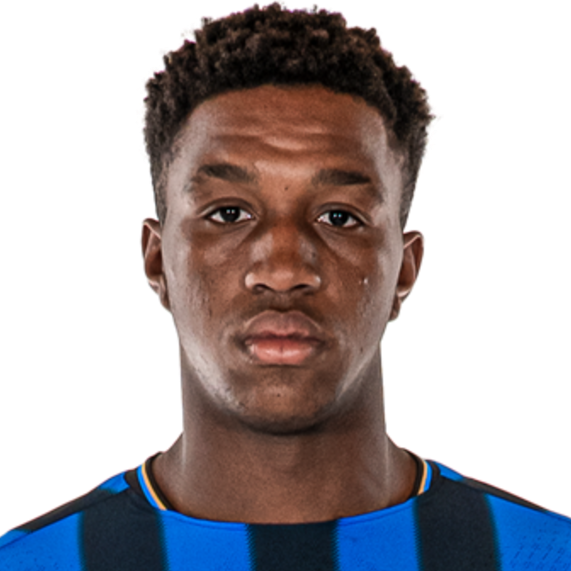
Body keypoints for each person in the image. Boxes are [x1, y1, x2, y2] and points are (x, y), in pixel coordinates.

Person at [1, 2, 569, 570]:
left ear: (404, 268)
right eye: (228, 214)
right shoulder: (32, 563)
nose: (282, 269)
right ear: (157, 260)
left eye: (338, 217)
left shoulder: (546, 557)